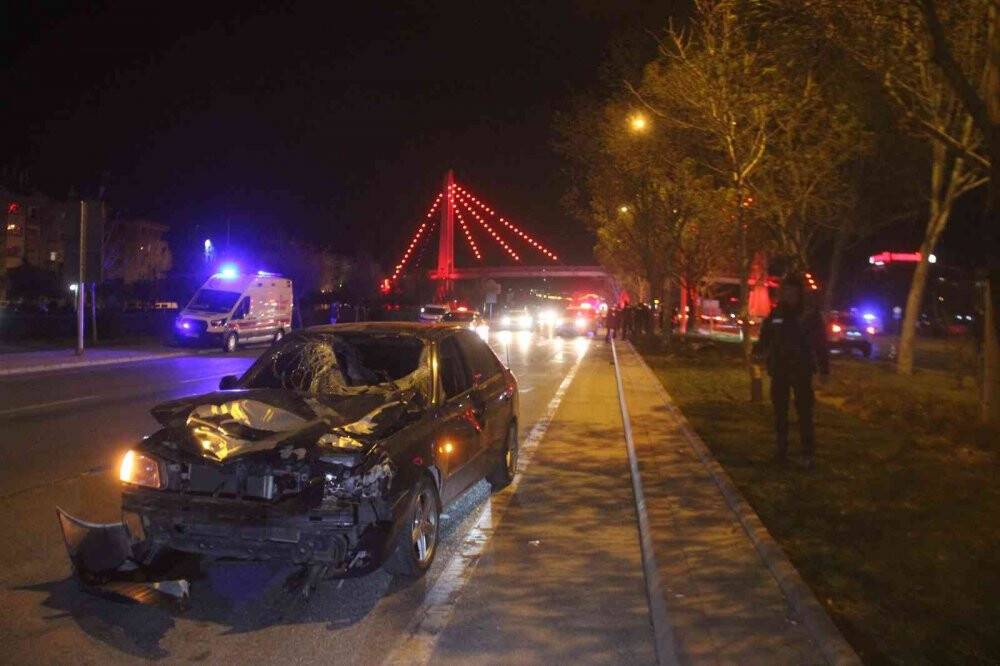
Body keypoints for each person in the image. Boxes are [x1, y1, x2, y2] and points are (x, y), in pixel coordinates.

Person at [753, 272, 829, 468]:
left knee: (804, 413)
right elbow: (766, 337)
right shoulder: (776, 314)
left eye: (792, 292)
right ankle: (781, 451)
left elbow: (820, 344)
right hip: (779, 370)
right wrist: (758, 352)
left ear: (799, 293)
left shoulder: (810, 316)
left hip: (802, 370)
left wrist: (824, 370)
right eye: (785, 292)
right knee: (780, 413)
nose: (788, 296)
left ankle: (807, 454)